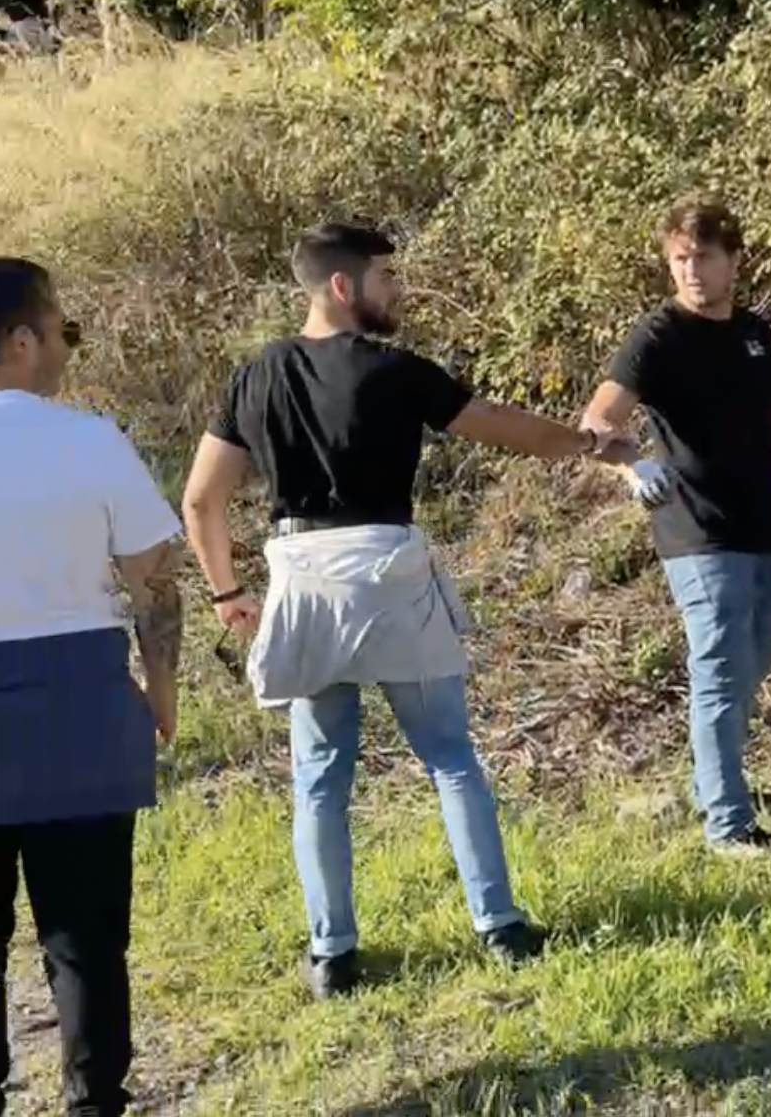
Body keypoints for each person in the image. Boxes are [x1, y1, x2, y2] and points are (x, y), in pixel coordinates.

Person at [179, 222, 641, 998]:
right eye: (385, 276)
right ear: (342, 286)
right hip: (390, 575)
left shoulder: (255, 375)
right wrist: (589, 445)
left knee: (321, 778)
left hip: (301, 579)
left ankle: (333, 954)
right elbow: (501, 425)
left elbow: (200, 500)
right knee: (451, 759)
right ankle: (500, 928)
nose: (397, 289)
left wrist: (227, 592)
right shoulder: (395, 370)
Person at [579, 197, 771, 856]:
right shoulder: (657, 335)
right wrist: (630, 466)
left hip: (759, 523)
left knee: (755, 660)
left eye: (703, 256)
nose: (691, 270)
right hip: (694, 528)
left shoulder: (754, 334)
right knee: (719, 669)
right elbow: (597, 422)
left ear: (733, 259)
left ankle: (716, 782)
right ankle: (728, 826)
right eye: (679, 258)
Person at [0, 258, 181, 1116]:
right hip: (79, 704)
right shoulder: (90, 440)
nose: (68, 348)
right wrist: (163, 690)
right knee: (86, 940)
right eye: (63, 330)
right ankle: (92, 1103)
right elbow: (152, 581)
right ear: (23, 340)